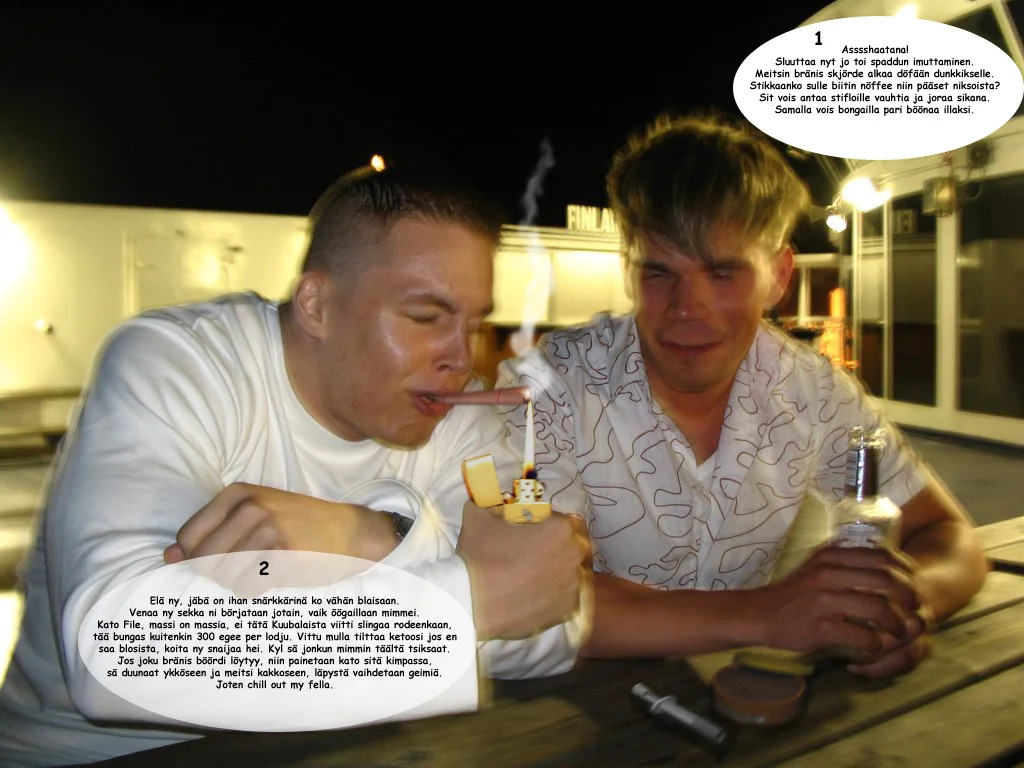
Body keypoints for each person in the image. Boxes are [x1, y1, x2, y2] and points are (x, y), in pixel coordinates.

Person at [0, 166, 591, 767]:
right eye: (425, 317)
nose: (462, 359)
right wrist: (472, 600)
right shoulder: (183, 364)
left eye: (475, 323)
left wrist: (369, 538)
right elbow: (127, 657)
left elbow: (551, 623)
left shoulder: (457, 419)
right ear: (316, 305)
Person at [496, 112, 988, 679]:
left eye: (722, 273)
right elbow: (527, 594)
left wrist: (895, 610)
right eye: (659, 274)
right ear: (628, 271)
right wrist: (766, 614)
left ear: (778, 275)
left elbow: (951, 538)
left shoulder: (815, 390)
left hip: (744, 701)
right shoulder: (543, 390)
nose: (687, 308)